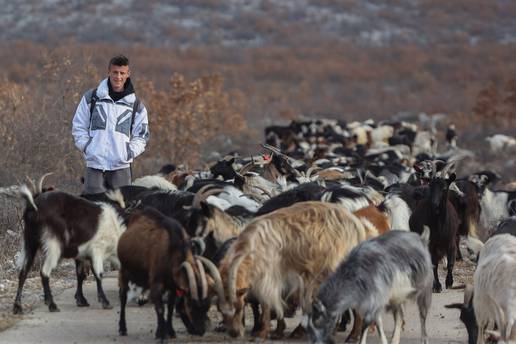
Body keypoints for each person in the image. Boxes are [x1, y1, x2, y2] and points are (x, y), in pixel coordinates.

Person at [72, 55, 149, 194]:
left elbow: (142, 136)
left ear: (128, 74)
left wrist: (128, 153)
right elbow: (78, 126)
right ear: (109, 72)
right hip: (94, 165)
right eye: (115, 72)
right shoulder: (92, 97)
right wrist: (88, 147)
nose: (118, 76)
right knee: (92, 210)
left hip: (121, 168)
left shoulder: (136, 105)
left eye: (122, 73)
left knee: (121, 210)